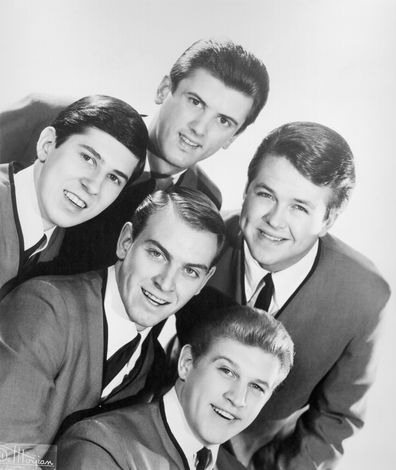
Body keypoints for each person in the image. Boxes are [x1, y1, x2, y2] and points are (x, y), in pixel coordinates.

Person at [203, 122, 391, 469]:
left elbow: (336, 418)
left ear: (328, 219)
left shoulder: (363, 296)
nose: (274, 220)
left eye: (299, 207)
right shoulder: (201, 241)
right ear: (246, 189)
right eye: (266, 194)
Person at [0, 38, 269, 273]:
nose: (199, 128)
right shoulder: (49, 118)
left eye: (223, 120)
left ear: (234, 137)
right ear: (164, 90)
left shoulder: (204, 199)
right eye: (195, 102)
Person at [0, 187, 225, 460]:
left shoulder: (152, 366)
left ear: (203, 281)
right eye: (157, 254)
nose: (166, 283)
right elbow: (7, 454)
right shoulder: (45, 307)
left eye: (189, 271)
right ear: (126, 241)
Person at [55, 298, 294, 470]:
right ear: (187, 363)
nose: (238, 398)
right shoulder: (102, 445)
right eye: (227, 371)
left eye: (257, 387)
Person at [0, 94, 147, 298]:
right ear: (47, 144)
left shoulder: (57, 243)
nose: (94, 186)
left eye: (113, 178)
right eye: (87, 158)